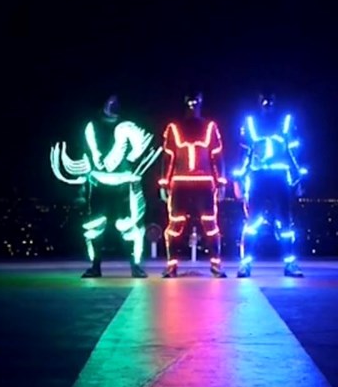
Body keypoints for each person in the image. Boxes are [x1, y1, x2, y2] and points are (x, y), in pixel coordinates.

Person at [50, 95, 160, 277]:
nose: (113, 105)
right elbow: (86, 153)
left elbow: (138, 152)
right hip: (99, 184)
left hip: (123, 185)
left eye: (116, 102)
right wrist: (83, 186)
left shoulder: (127, 126)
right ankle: (96, 266)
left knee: (128, 226)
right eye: (109, 101)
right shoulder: (92, 126)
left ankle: (134, 265)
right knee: (95, 226)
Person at [233, 91, 308, 277]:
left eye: (270, 99)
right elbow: (243, 153)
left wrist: (297, 179)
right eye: (264, 99)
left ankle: (289, 263)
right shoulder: (250, 123)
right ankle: (245, 264)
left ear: (275, 101)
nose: (267, 103)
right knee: (252, 222)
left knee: (285, 221)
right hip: (258, 177)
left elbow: (293, 153)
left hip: (279, 177)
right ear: (259, 101)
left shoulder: (286, 122)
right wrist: (238, 180)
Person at [158, 91, 227, 278]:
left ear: (201, 101)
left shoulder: (210, 127)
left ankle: (215, 265)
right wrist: (164, 183)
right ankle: (172, 266)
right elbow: (168, 157)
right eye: (189, 100)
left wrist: (221, 183)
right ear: (184, 101)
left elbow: (217, 156)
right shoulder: (174, 127)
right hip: (180, 183)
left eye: (196, 100)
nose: (193, 104)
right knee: (175, 224)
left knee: (210, 224)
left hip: (204, 184)